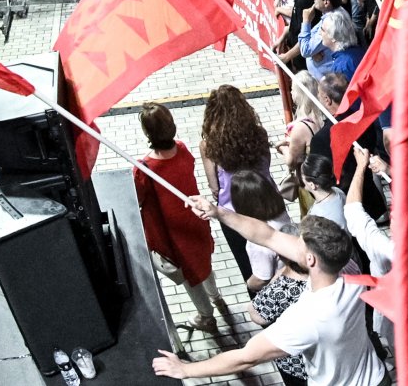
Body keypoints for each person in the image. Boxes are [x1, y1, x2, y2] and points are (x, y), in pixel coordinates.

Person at [154, 213, 383, 386]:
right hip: (376, 376)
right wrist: (219, 212)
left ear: (310, 260)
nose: (290, 243)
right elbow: (269, 235)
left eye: (298, 244)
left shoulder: (309, 317)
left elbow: (245, 358)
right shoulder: (347, 269)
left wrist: (185, 370)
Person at [135, 103, 229, 337]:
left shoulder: (145, 168)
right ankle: (216, 297)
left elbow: (138, 197)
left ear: (148, 133)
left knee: (189, 275)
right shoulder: (183, 149)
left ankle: (206, 317)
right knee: (204, 263)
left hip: (172, 233)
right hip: (196, 220)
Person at [198, 85, 278, 283]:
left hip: (233, 213)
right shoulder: (260, 133)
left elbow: (214, 187)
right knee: (276, 259)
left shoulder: (209, 145)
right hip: (267, 203)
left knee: (248, 268)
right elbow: (266, 166)